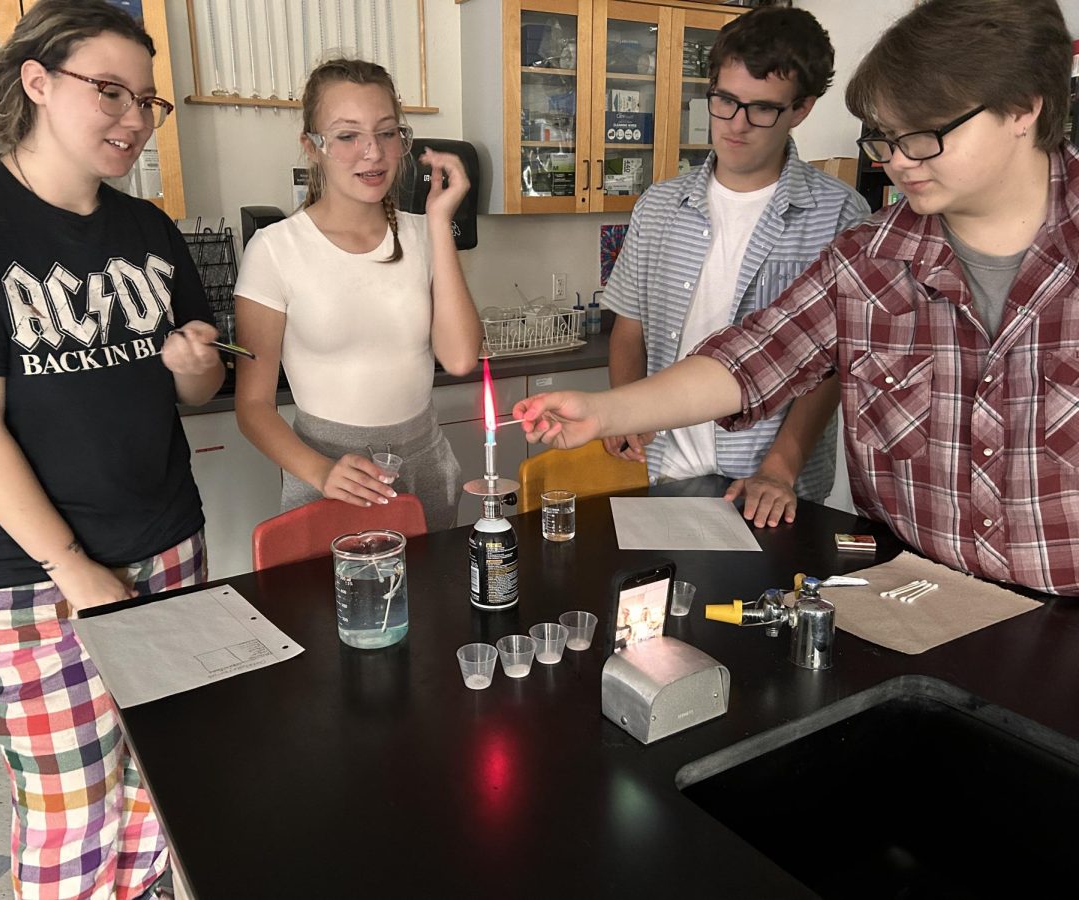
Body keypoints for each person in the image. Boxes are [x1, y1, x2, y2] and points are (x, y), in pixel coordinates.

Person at [515, 0, 1079, 597]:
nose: (899, 163)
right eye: (886, 140)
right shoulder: (869, 257)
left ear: (1023, 108)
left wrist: (780, 466)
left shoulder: (836, 213)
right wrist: (605, 411)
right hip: (911, 594)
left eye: (924, 136)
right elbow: (754, 357)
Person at [0, 1, 224, 896]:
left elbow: (193, 389)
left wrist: (194, 365)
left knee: (163, 784)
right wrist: (74, 567)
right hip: (25, 573)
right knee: (75, 811)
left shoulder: (148, 231)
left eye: (147, 100)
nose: (134, 119)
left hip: (165, 545)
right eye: (109, 91)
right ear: (36, 82)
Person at [602, 5, 869, 527]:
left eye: (762, 109)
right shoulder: (658, 206)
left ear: (802, 108)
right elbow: (628, 327)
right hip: (667, 471)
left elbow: (833, 364)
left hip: (768, 485)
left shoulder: (839, 213)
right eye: (725, 101)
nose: (736, 125)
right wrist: (623, 410)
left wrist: (780, 466)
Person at [234, 58, 481, 532]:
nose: (373, 153)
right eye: (348, 136)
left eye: (387, 133)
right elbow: (253, 406)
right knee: (330, 604)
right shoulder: (275, 249)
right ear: (312, 145)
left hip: (424, 462)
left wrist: (438, 224)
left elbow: (460, 357)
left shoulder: (424, 234)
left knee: (436, 602)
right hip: (326, 470)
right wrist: (321, 472)